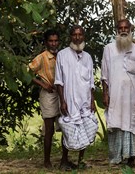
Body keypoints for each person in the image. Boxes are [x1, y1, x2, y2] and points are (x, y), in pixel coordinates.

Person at [101, 19, 135, 168]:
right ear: (117, 30)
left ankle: (130, 157)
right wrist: (105, 93)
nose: (123, 30)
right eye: (120, 28)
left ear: (130, 30)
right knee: (115, 122)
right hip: (114, 94)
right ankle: (116, 157)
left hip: (132, 95)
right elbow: (104, 75)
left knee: (130, 123)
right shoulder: (109, 49)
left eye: (126, 28)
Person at [55, 25, 98, 170]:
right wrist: (62, 101)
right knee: (68, 128)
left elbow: (91, 81)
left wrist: (92, 100)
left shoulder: (88, 57)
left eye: (80, 35)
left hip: (84, 100)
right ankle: (64, 160)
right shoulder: (62, 55)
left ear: (83, 36)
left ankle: (80, 161)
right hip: (69, 99)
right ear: (70, 37)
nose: (77, 37)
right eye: (74, 35)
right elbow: (59, 81)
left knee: (86, 128)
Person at [28, 29, 72, 169]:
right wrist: (42, 84)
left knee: (66, 126)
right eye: (51, 41)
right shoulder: (42, 58)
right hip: (49, 93)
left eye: (55, 41)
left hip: (63, 93)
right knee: (49, 128)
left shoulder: (63, 56)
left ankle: (64, 159)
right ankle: (47, 161)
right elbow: (27, 72)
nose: (53, 44)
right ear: (46, 42)